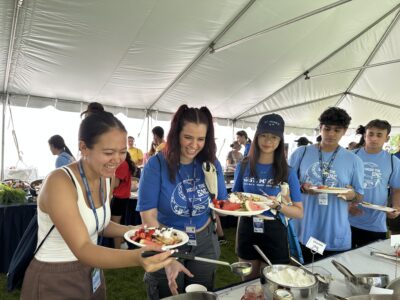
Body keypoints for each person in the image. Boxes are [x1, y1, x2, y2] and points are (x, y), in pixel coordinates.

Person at [21, 103, 182, 299]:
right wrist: (136, 257)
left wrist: (137, 230)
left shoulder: (105, 178)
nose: (117, 159)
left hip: (92, 268)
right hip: (55, 276)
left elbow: (100, 224)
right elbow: (82, 247)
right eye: (108, 152)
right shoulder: (59, 182)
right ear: (83, 147)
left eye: (122, 151)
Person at [137, 105, 228, 299]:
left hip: (204, 238)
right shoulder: (156, 164)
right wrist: (168, 254)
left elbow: (221, 204)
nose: (194, 145)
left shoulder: (212, 163)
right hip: (166, 238)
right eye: (188, 137)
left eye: (201, 139)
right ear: (175, 134)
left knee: (200, 293)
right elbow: (148, 216)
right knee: (168, 292)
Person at [232, 113, 303, 280]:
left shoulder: (288, 171)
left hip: (274, 230)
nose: (268, 141)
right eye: (263, 135)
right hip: (246, 228)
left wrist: (278, 206)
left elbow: (299, 212)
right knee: (247, 281)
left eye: (274, 137)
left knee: (270, 282)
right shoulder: (243, 166)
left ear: (280, 141)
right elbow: (235, 197)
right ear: (256, 137)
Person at [289, 107, 364, 263]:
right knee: (304, 276)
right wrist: (302, 187)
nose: (331, 134)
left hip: (335, 230)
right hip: (304, 227)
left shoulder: (353, 160)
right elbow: (285, 186)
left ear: (344, 132)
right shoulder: (301, 153)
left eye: (337, 130)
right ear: (320, 128)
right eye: (327, 128)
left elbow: (359, 196)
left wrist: (352, 196)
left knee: (333, 278)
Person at [349, 120, 400, 248]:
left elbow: (396, 189)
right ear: (365, 136)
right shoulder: (350, 156)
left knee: (369, 264)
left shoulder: (394, 162)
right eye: (370, 134)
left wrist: (396, 207)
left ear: (387, 138)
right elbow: (339, 186)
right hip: (346, 221)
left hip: (375, 224)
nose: (374, 138)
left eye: (379, 135)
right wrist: (347, 206)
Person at [110, 152, 137, 249]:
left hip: (119, 198)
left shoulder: (123, 164)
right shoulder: (126, 164)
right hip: (123, 197)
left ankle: (117, 250)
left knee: (115, 226)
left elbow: (116, 183)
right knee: (119, 224)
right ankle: (121, 244)